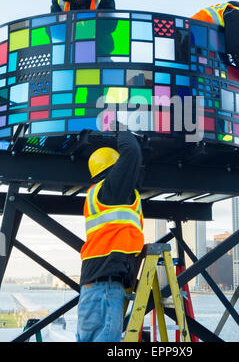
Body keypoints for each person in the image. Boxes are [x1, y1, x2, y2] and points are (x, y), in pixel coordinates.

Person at [76, 129, 144, 343]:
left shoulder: (97, 195)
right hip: (105, 288)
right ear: (114, 169)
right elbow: (132, 152)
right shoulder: (113, 190)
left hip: (93, 286)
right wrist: (122, 127)